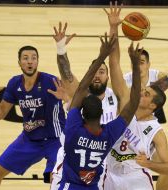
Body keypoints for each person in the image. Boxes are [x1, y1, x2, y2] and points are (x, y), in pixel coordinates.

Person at [103, 2, 168, 190]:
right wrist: (113, 27)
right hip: (108, 169)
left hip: (135, 172)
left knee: (166, 165)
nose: (142, 91)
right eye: (143, 90)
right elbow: (114, 62)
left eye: (146, 93)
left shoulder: (156, 130)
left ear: (152, 105)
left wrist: (148, 164)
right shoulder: (127, 98)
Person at [57, 33, 141, 190]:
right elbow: (134, 102)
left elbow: (81, 88)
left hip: (71, 185)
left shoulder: (73, 128)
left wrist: (102, 54)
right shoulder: (108, 135)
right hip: (93, 185)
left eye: (102, 72)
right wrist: (135, 66)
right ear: (102, 113)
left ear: (80, 113)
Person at [0, 46, 66, 190]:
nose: (30, 62)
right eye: (25, 58)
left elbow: (75, 95)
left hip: (56, 140)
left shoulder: (51, 81)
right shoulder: (14, 83)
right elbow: (0, 115)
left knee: (54, 180)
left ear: (37, 62)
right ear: (19, 62)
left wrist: (66, 98)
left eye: (33, 58)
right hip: (29, 139)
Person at [49, 22, 119, 190]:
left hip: (98, 166)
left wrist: (114, 27)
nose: (97, 75)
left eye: (102, 72)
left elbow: (116, 60)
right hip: (70, 162)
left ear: (108, 76)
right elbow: (66, 74)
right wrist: (61, 49)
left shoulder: (116, 97)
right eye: (94, 71)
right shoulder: (80, 94)